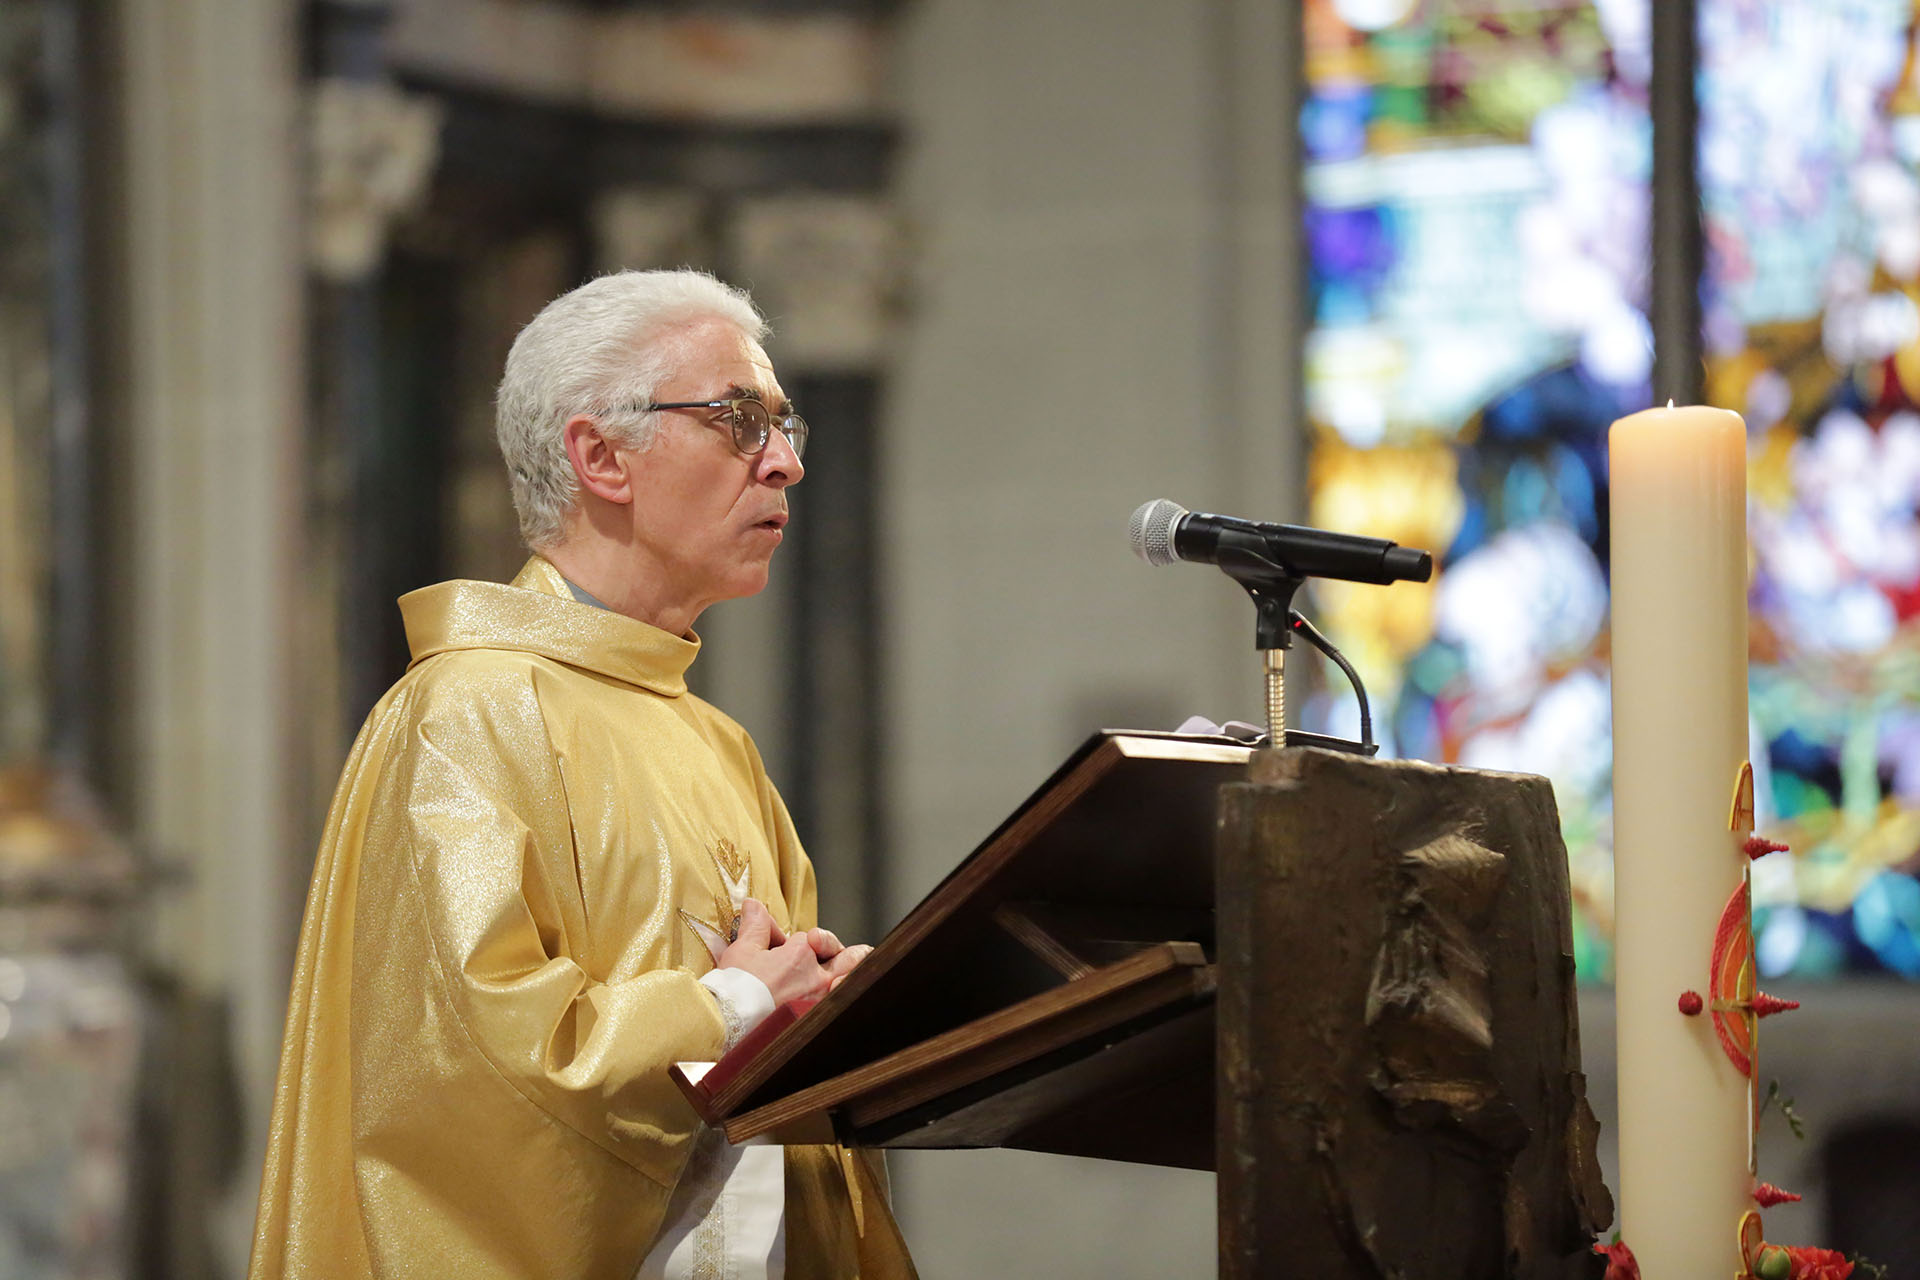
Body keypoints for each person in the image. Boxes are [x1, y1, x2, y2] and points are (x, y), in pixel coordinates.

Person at [248, 270, 915, 1279]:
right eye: (739, 420)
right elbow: (470, 1081)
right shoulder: (467, 712)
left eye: (786, 425)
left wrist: (828, 1013)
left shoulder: (713, 740)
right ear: (600, 455)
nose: (782, 464)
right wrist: (732, 1006)